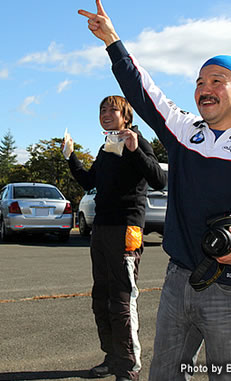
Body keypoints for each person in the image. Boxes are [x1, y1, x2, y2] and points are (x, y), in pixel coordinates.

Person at [78, 0, 231, 380]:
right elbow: (143, 93)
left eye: (218, 81)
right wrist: (112, 40)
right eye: (201, 81)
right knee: (164, 374)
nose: (205, 88)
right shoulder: (187, 132)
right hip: (178, 281)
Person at [64, 96, 167, 381]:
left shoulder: (137, 141)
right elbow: (89, 182)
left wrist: (135, 150)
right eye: (102, 110)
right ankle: (111, 357)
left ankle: (129, 368)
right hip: (101, 228)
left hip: (127, 229)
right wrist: (70, 157)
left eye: (113, 110)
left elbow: (160, 179)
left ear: (126, 116)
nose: (106, 114)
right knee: (102, 297)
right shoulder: (106, 146)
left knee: (122, 299)